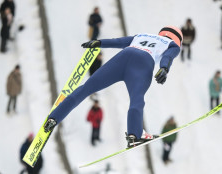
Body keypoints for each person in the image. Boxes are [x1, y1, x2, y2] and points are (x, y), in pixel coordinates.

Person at [44, 26, 183, 148]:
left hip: (123, 57)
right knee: (136, 99)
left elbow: (118, 42)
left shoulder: (143, 35)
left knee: (87, 87)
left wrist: (99, 42)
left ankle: (54, 118)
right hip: (142, 64)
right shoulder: (173, 45)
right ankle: (134, 134)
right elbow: (168, 57)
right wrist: (164, 68)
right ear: (178, 40)